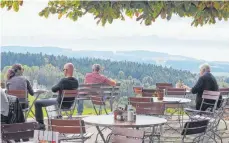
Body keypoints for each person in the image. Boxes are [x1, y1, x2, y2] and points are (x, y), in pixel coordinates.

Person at [35, 63, 78, 129]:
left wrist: (59, 88)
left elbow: (53, 89)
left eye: (63, 69)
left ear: (66, 70)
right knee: (52, 98)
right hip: (69, 105)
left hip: (59, 104)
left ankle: (41, 125)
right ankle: (57, 119)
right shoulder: (76, 82)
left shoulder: (63, 81)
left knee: (37, 103)